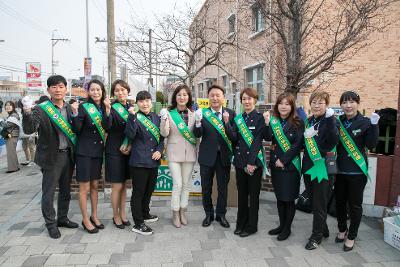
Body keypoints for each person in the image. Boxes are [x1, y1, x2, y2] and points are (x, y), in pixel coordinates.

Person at [22, 75, 78, 239]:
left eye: (61, 86)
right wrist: (26, 112)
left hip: (68, 155)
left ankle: (62, 218)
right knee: (49, 193)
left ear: (65, 89)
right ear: (48, 90)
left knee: (66, 191)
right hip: (51, 157)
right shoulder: (42, 108)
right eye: (53, 87)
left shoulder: (69, 108)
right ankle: (51, 224)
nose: (58, 89)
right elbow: (29, 128)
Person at [335, 91, 379, 251]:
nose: (348, 106)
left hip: (356, 172)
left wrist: (374, 126)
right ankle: (342, 229)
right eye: (345, 102)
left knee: (354, 206)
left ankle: (352, 236)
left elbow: (372, 144)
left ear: (357, 103)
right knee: (339, 203)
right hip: (339, 171)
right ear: (341, 105)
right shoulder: (337, 121)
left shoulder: (365, 122)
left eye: (351, 102)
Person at [258, 92, 304, 240]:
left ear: (291, 106)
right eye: (281, 103)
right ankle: (281, 225)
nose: (283, 106)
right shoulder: (273, 121)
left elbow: (298, 145)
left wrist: (284, 160)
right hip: (276, 166)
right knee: (280, 198)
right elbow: (267, 137)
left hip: (290, 167)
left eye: (287, 104)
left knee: (288, 199)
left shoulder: (298, 122)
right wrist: (266, 123)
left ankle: (287, 229)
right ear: (277, 105)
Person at [193, 84, 235, 228]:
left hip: (224, 157)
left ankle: (221, 215)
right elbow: (197, 134)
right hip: (207, 157)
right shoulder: (202, 113)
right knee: (206, 187)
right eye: (212, 95)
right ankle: (208, 214)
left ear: (223, 98)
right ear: (208, 97)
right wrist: (198, 122)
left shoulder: (231, 113)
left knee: (223, 188)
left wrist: (227, 122)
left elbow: (234, 136)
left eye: (218, 95)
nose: (215, 98)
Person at [224, 88, 264, 237]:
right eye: (244, 99)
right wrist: (227, 123)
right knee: (242, 195)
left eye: (249, 98)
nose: (247, 101)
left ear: (255, 100)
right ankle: (241, 224)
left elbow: (257, 141)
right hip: (240, 163)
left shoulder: (259, 118)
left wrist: (251, 162)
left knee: (253, 197)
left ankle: (252, 226)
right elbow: (233, 138)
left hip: (253, 164)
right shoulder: (238, 118)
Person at [302, 90, 339, 250]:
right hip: (309, 168)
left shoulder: (331, 121)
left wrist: (330, 120)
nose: (316, 105)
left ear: (327, 105)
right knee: (312, 201)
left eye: (321, 103)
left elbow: (332, 141)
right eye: (314, 102)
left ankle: (316, 237)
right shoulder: (309, 121)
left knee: (319, 204)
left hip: (322, 169)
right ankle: (323, 229)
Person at [71, 79, 109, 234]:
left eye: (98, 90)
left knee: (95, 186)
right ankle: (85, 219)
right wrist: (75, 113)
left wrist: (107, 110)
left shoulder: (104, 107)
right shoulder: (83, 107)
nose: (96, 92)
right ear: (88, 91)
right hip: (84, 152)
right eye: (93, 90)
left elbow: (108, 127)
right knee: (84, 188)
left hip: (97, 152)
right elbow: (77, 129)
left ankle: (94, 215)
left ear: (102, 91)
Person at [125, 90, 164, 235]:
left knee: (149, 190)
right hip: (139, 161)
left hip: (153, 160)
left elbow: (161, 138)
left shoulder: (155, 117)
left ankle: (145, 213)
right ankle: (138, 223)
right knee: (138, 192)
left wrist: (160, 150)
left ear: (151, 103)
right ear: (137, 103)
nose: (145, 103)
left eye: (147, 100)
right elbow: (130, 134)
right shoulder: (134, 117)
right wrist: (132, 117)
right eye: (141, 101)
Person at [160, 84, 197, 228]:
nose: (182, 97)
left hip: (190, 153)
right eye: (179, 94)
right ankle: (175, 213)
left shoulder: (194, 114)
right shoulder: (169, 113)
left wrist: (199, 122)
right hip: (174, 153)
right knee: (178, 184)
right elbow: (164, 134)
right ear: (175, 97)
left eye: (185, 95)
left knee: (186, 185)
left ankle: (183, 211)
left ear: (189, 97)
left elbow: (197, 134)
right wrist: (164, 120)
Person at [103, 79, 135, 229]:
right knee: (116, 186)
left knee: (124, 186)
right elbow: (107, 127)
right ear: (113, 93)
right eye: (117, 90)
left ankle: (123, 214)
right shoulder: (112, 108)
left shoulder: (131, 108)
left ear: (128, 91)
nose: (120, 93)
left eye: (123, 90)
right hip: (114, 151)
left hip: (127, 151)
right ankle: (115, 215)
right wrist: (108, 110)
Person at [1, 101, 20, 173]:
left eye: (9, 105)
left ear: (13, 106)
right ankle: (15, 167)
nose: (7, 107)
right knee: (12, 152)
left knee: (10, 153)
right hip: (12, 136)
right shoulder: (12, 115)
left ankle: (12, 168)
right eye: (6, 105)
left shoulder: (14, 115)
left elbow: (6, 125)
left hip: (12, 136)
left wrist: (1, 121)